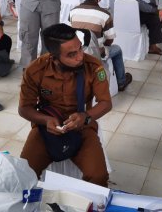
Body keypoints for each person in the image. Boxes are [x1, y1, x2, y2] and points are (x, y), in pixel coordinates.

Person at [18, 23, 112, 187]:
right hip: (46, 129)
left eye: (80, 49)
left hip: (82, 127)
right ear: (53, 57)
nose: (80, 57)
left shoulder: (93, 67)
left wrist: (85, 117)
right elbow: (24, 108)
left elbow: (106, 103)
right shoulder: (35, 70)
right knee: (23, 175)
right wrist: (45, 120)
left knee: (98, 177)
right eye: (71, 54)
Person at [70, 0, 133, 91]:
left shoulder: (73, 11)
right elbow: (110, 40)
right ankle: (121, 82)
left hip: (76, 52)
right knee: (117, 49)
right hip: (96, 53)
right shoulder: (105, 15)